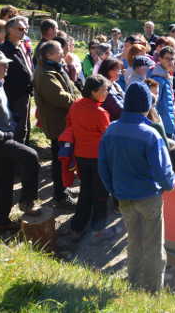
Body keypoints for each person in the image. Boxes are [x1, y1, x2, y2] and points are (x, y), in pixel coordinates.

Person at [99, 81, 175, 292]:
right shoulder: (150, 134)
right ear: (146, 105)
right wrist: (170, 184)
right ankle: (151, 292)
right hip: (148, 196)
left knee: (133, 241)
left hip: (123, 197)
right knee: (153, 245)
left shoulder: (111, 130)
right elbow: (163, 170)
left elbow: (103, 167)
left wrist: (114, 189)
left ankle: (133, 284)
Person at [0, 49, 42, 231]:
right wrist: (0, 133)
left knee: (3, 180)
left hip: (3, 137)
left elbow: (0, 110)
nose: (6, 67)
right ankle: (27, 202)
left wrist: (12, 119)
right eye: (3, 64)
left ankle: (1, 221)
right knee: (31, 157)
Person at [60, 75, 113, 241]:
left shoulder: (75, 106)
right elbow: (107, 136)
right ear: (94, 91)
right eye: (105, 90)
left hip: (81, 155)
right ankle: (99, 229)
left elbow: (70, 124)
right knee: (100, 194)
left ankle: (77, 227)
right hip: (98, 158)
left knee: (85, 190)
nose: (107, 93)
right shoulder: (100, 112)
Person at [34, 40, 82, 209]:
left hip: (64, 122)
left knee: (64, 158)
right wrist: (80, 102)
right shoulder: (46, 74)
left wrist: (78, 97)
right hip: (57, 125)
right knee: (60, 160)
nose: (63, 53)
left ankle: (63, 189)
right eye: (59, 51)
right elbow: (60, 97)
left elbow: (72, 87)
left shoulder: (56, 67)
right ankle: (60, 196)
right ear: (48, 55)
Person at [0, 17, 34, 144]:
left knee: (24, 127)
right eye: (20, 29)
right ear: (9, 30)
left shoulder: (21, 46)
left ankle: (22, 153)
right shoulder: (4, 50)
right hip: (12, 95)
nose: (24, 32)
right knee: (17, 128)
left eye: (25, 29)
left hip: (25, 93)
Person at [150, 46, 175, 140]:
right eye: (167, 58)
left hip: (170, 122)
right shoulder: (157, 79)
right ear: (160, 59)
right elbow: (153, 105)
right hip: (163, 126)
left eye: (172, 59)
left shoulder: (167, 76)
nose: (170, 62)